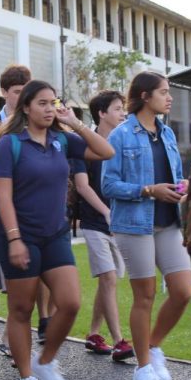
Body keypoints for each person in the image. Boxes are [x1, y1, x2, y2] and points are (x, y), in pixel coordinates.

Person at [0, 80, 114, 380]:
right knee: (21, 309)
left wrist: (74, 123)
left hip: (55, 233)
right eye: (42, 103)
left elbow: (106, 151)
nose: (48, 109)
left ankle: (44, 362)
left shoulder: (63, 140)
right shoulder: (10, 144)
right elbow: (3, 195)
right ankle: (27, 379)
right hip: (20, 236)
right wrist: (14, 238)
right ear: (26, 108)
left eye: (52, 102)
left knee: (70, 302)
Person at [101, 72, 191, 380]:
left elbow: (177, 175)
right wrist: (148, 190)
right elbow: (108, 184)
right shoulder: (121, 135)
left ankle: (152, 349)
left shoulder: (167, 134)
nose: (169, 98)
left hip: (169, 222)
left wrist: (183, 188)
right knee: (146, 296)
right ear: (144, 96)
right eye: (163, 93)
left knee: (183, 291)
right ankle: (142, 369)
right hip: (135, 224)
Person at [72, 90, 133, 361]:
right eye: (118, 108)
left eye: (123, 108)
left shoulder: (124, 143)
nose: (123, 113)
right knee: (108, 278)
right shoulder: (83, 145)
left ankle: (94, 333)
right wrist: (107, 212)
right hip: (94, 222)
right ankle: (120, 340)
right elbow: (82, 186)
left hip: (119, 224)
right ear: (102, 113)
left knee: (109, 282)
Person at [0, 64, 32, 141]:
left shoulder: (35, 122)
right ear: (4, 92)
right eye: (17, 92)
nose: (23, 96)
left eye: (26, 91)